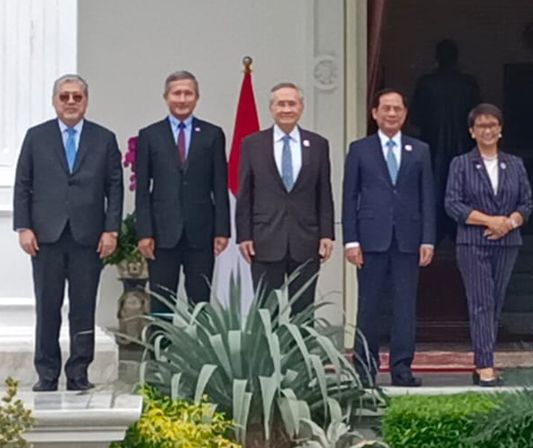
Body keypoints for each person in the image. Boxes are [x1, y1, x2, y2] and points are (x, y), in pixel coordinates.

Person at [13, 74, 123, 391]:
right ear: (55, 101)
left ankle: (78, 373)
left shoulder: (104, 138)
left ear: (86, 100)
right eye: (65, 97)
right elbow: (23, 184)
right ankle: (46, 373)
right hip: (45, 237)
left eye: (77, 96)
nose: (71, 102)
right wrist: (24, 227)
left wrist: (111, 230)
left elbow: (114, 187)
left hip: (88, 238)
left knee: (83, 307)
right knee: (47, 307)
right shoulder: (37, 136)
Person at [343, 88, 435, 388]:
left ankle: (401, 368)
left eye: (397, 109)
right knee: (368, 306)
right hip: (370, 240)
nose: (392, 114)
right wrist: (350, 240)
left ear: (405, 114)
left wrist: (428, 239)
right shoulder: (360, 149)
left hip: (408, 239)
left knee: (404, 306)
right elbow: (349, 196)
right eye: (386, 109)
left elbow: (426, 197)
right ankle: (364, 370)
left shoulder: (419, 150)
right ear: (375, 113)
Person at [444, 104, 533, 387]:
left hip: (508, 242)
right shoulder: (461, 163)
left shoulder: (515, 163)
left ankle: (485, 357)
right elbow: (453, 204)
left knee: (495, 303)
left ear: (501, 129)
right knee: (481, 303)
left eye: (493, 125)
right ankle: (485, 365)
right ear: (472, 132)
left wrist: (509, 223)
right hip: (473, 242)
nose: (488, 130)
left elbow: (526, 203)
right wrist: (489, 221)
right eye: (481, 126)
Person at [135, 71, 230, 320]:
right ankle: (160, 357)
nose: (182, 98)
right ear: (166, 97)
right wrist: (144, 232)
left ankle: (200, 357)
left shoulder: (212, 134)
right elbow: (142, 189)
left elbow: (219, 185)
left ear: (197, 98)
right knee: (161, 303)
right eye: (177, 93)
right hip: (162, 234)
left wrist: (222, 230)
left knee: (200, 302)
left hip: (201, 232)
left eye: (188, 93)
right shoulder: (149, 135)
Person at [235, 82, 334, 313]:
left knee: (303, 310)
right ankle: (270, 351)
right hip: (265, 239)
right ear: (271, 108)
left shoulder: (318, 144)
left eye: (292, 103)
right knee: (267, 311)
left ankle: (301, 351)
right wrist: (244, 235)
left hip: (306, 239)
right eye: (281, 104)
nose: (287, 109)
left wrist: (327, 234)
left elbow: (324, 193)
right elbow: (245, 193)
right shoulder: (252, 144)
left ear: (301, 107)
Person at [410, 39, 481, 241]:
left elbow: (415, 117)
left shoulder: (426, 83)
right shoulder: (468, 84)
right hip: (462, 146)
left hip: (432, 146)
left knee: (433, 187)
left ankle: (436, 232)